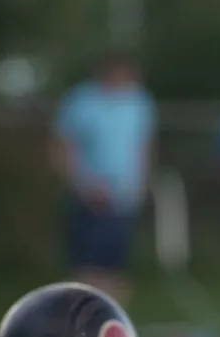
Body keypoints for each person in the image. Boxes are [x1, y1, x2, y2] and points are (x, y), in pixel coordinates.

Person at [51, 50, 155, 306]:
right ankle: (82, 322)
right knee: (87, 266)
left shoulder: (140, 103)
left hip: (124, 198)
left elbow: (144, 147)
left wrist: (140, 184)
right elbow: (63, 148)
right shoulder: (81, 101)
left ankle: (114, 326)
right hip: (89, 197)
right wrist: (83, 185)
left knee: (117, 266)